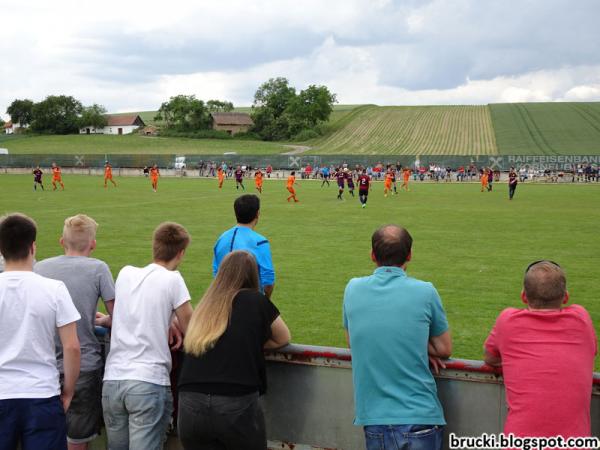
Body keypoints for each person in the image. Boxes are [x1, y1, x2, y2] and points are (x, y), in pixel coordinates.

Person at [343, 225, 451, 450]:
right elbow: (443, 348)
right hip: (420, 416)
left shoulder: (353, 289)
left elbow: (354, 341)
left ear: (373, 255)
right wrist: (416, 344)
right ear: (409, 255)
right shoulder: (425, 291)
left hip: (375, 419)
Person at [178, 251, 291, 450]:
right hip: (235, 400)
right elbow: (283, 337)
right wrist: (249, 344)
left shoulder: (205, 304)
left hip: (190, 399)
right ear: (252, 275)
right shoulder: (256, 300)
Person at [102, 222, 194, 450]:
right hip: (148, 380)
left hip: (113, 380)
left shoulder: (126, 273)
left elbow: (134, 309)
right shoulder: (174, 279)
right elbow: (191, 327)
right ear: (181, 253)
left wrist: (168, 320)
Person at [484, 261, 596, 439]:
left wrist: (517, 363)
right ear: (565, 297)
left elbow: (490, 358)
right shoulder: (581, 319)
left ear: (523, 296)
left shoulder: (508, 321)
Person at [0, 213, 81, 450]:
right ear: (33, 247)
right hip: (41, 393)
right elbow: (72, 346)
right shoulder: (53, 289)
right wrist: (68, 391)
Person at [34, 214, 115, 450]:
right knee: (77, 439)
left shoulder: (41, 267)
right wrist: (105, 320)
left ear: (62, 241)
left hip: (44, 364)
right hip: (83, 364)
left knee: (44, 435)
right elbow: (119, 314)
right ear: (93, 244)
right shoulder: (99, 268)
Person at [212, 194, 275, 298]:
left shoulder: (221, 238)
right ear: (257, 214)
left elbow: (216, 272)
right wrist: (264, 301)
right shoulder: (260, 242)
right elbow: (268, 279)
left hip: (222, 300)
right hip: (249, 301)